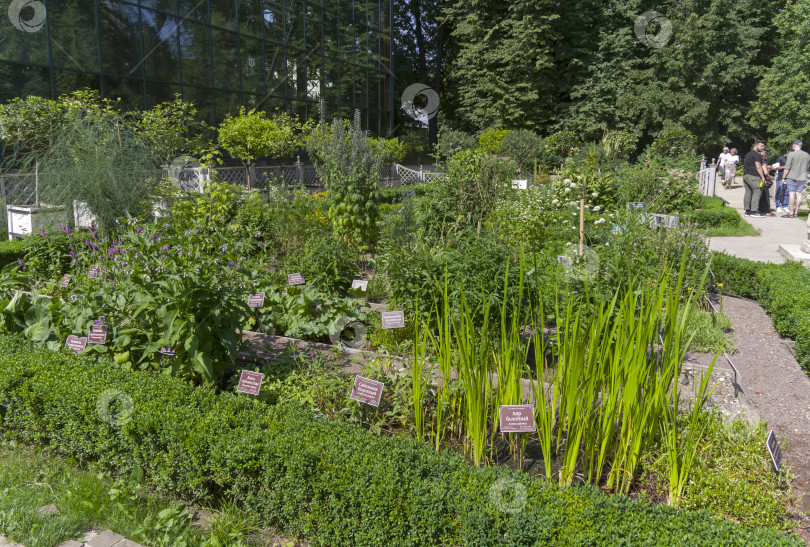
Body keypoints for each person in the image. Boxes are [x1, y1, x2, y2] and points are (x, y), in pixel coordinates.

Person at [781, 139, 810, 218]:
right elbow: (807, 167)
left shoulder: (791, 154)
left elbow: (787, 167)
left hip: (792, 177)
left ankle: (791, 212)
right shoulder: (807, 155)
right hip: (802, 177)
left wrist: (783, 177)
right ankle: (796, 212)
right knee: (799, 194)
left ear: (794, 145)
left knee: (791, 194)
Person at [742, 140, 768, 216]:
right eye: (761, 146)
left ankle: (747, 211)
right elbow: (758, 166)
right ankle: (754, 211)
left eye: (763, 146)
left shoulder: (748, 154)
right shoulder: (756, 155)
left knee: (748, 193)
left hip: (746, 175)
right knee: (757, 192)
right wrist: (763, 177)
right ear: (756, 146)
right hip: (754, 176)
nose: (763, 148)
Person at [772, 147, 791, 213]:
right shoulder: (781, 158)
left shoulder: (793, 159)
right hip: (781, 176)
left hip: (790, 177)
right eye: (791, 152)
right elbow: (776, 167)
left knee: (787, 192)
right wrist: (785, 166)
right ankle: (778, 206)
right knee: (780, 191)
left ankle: (785, 205)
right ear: (787, 151)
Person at [758, 148, 776, 215]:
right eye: (766, 154)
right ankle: (766, 210)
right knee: (765, 194)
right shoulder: (763, 161)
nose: (767, 155)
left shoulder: (756, 160)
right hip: (763, 179)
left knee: (759, 194)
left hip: (757, 178)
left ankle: (757, 209)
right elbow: (766, 173)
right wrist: (769, 179)